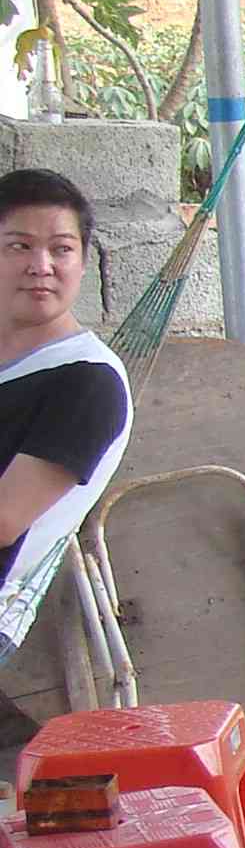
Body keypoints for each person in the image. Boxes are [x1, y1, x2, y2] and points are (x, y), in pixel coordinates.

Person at [0, 169, 132, 674]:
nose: (41, 266)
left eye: (61, 249)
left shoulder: (88, 382)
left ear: (82, 262)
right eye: (19, 246)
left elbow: (4, 519)